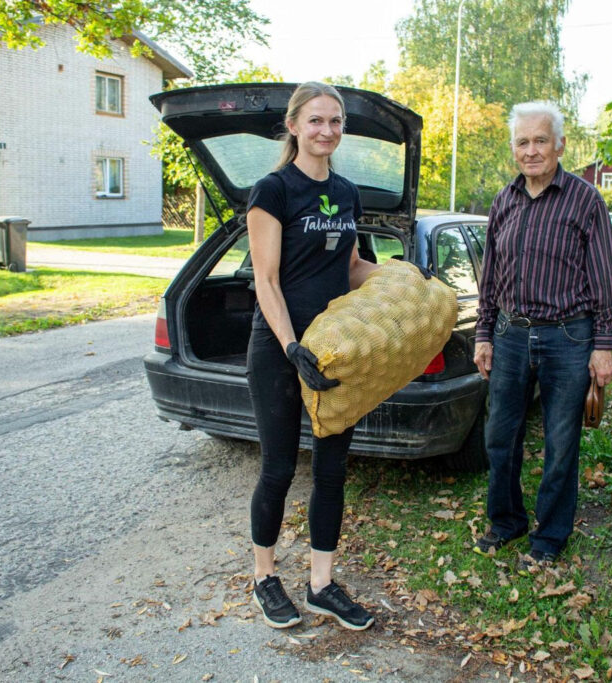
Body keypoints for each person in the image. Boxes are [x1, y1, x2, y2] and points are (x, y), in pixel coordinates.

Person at [245, 82, 380, 631]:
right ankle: (264, 576)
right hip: (281, 348)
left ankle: (321, 585)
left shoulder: (346, 192)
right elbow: (266, 279)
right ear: (294, 126)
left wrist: (407, 279)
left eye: (336, 121)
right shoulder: (273, 190)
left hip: (334, 351)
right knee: (278, 468)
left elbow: (351, 267)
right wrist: (290, 346)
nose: (327, 130)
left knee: (331, 471)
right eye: (317, 120)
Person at [472, 101, 612, 572]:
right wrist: (483, 334)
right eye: (523, 142)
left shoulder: (586, 200)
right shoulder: (504, 201)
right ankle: (506, 522)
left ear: (560, 145)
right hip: (510, 336)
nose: (531, 151)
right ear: (513, 148)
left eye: (540, 140)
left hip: (568, 339)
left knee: (561, 444)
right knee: (499, 438)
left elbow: (604, 279)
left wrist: (604, 345)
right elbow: (490, 277)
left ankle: (551, 535)